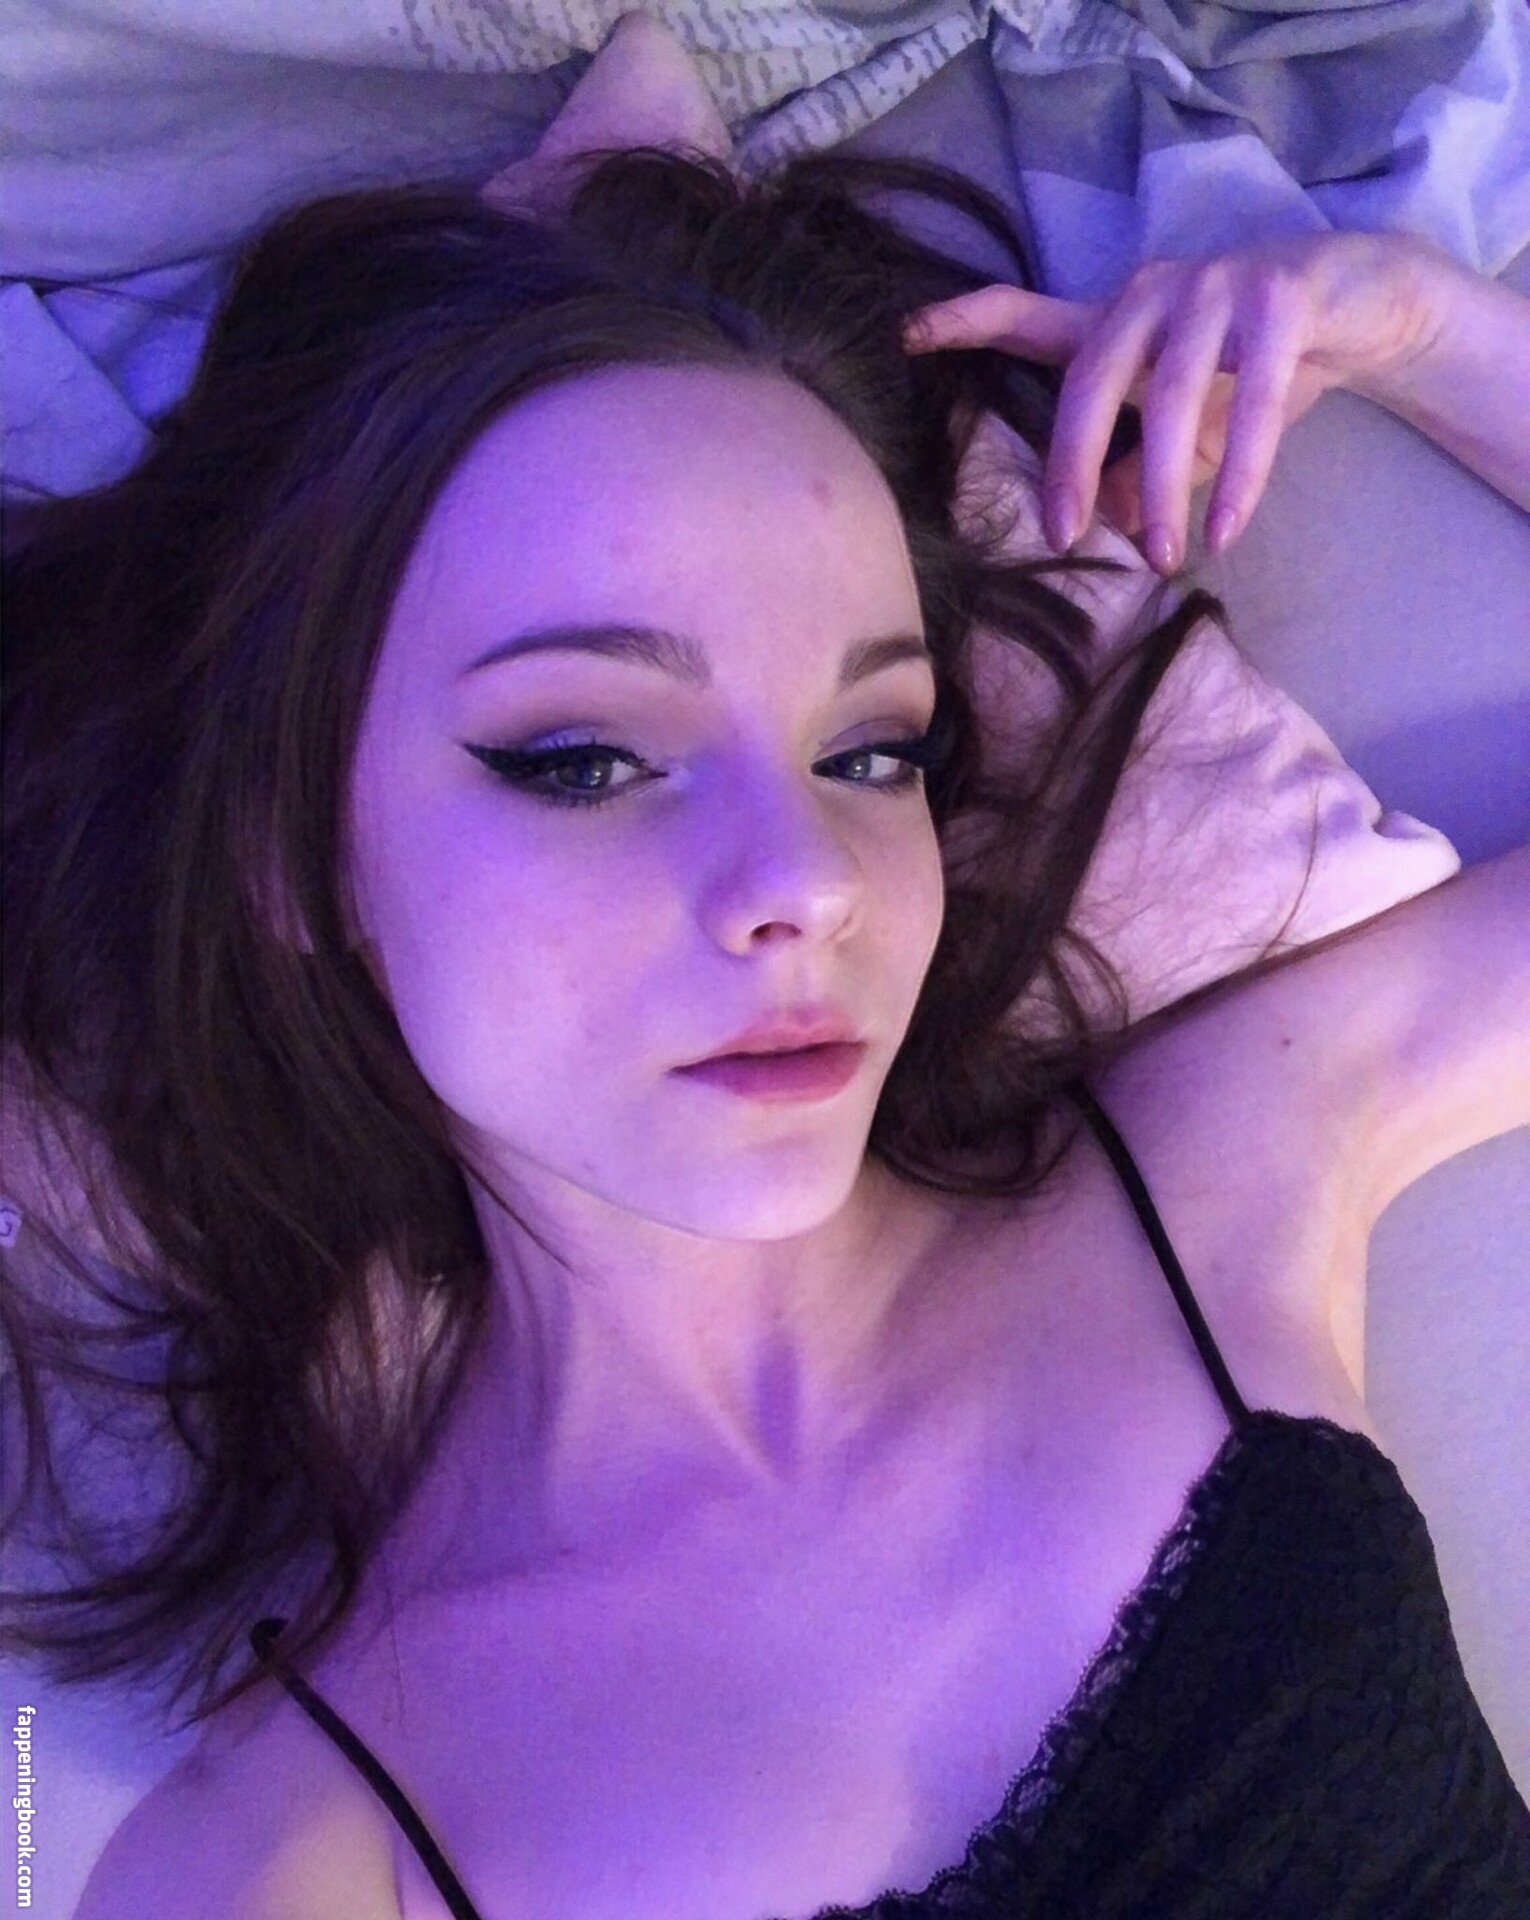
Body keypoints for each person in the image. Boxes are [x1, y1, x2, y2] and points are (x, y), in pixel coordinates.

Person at [2, 140, 1527, 1919]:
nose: (805, 879)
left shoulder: (1207, 1170)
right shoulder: (306, 1846)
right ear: (292, 853)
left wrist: (1429, 334)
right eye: (584, 759)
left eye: (869, 750)